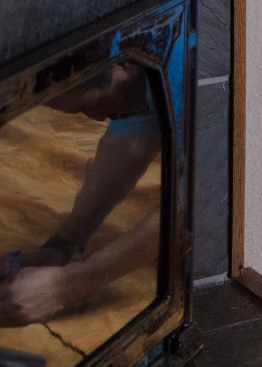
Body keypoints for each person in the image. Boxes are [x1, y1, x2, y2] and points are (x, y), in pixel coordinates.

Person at [0, 63, 160, 326]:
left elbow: (191, 206)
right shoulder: (132, 80)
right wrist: (61, 247)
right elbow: (134, 133)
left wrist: (66, 286)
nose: (97, 119)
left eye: (88, 105)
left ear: (117, 64)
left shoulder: (192, 80)